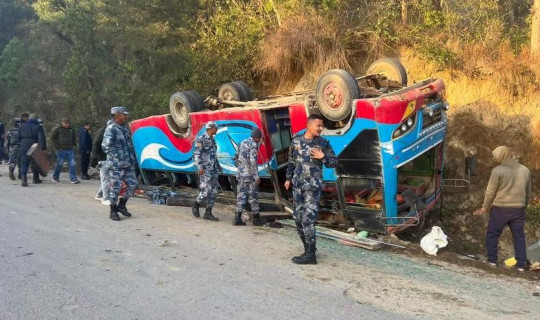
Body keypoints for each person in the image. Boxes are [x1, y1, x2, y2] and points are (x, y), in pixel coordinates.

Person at [284, 114, 337, 265]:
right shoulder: (296, 140)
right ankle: (308, 249)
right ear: (309, 125)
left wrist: (323, 157)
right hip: (298, 186)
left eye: (322, 126)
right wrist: (288, 178)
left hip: (312, 188)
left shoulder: (323, 143)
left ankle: (310, 255)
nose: (321, 128)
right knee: (297, 218)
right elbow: (291, 161)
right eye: (318, 126)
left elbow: (334, 162)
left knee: (308, 219)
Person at [474, 146, 532, 272]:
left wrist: (485, 207)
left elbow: (490, 191)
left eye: (496, 157)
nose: (496, 159)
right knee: (519, 236)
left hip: (500, 208)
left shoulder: (498, 170)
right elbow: (528, 191)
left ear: (501, 156)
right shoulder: (525, 170)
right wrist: (523, 205)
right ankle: (521, 265)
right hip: (518, 209)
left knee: (493, 234)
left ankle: (492, 261)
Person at [102, 106, 138, 221]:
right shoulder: (111, 128)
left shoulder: (124, 128)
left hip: (128, 164)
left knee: (133, 185)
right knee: (116, 189)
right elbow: (106, 146)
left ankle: (121, 205)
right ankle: (113, 211)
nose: (126, 116)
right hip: (117, 165)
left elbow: (129, 146)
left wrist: (132, 160)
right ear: (117, 115)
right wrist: (119, 157)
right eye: (124, 114)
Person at [233, 128, 266, 226]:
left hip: (241, 175)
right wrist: (256, 177)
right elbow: (253, 162)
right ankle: (256, 219)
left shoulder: (242, 142)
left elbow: (236, 157)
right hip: (250, 176)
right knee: (253, 196)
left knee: (241, 196)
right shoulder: (253, 145)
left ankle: (237, 219)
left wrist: (241, 168)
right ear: (258, 138)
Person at [191, 121, 220, 221]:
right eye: (216, 128)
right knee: (206, 191)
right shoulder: (201, 138)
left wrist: (218, 166)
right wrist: (200, 167)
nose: (217, 130)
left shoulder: (213, 139)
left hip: (214, 169)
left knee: (214, 191)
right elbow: (197, 154)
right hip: (205, 169)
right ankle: (196, 204)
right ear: (211, 128)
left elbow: (213, 154)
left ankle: (208, 213)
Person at [17, 113, 47, 187]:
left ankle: (24, 179)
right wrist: (43, 148)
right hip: (34, 145)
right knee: (35, 162)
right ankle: (35, 178)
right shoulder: (38, 127)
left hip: (24, 145)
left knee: (24, 163)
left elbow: (18, 137)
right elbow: (41, 138)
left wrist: (21, 144)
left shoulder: (22, 126)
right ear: (36, 119)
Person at [51, 118, 79, 184]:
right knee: (59, 164)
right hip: (61, 150)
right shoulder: (57, 129)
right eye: (65, 124)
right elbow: (52, 139)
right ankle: (55, 177)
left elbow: (74, 138)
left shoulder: (71, 129)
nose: (67, 125)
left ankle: (73, 179)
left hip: (70, 149)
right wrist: (57, 147)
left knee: (72, 164)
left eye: (68, 123)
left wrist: (75, 145)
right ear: (62, 123)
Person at [91, 120, 112, 205]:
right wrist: (95, 158)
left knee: (108, 179)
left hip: (110, 158)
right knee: (106, 179)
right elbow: (95, 145)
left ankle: (99, 195)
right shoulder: (102, 132)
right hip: (102, 158)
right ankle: (105, 198)